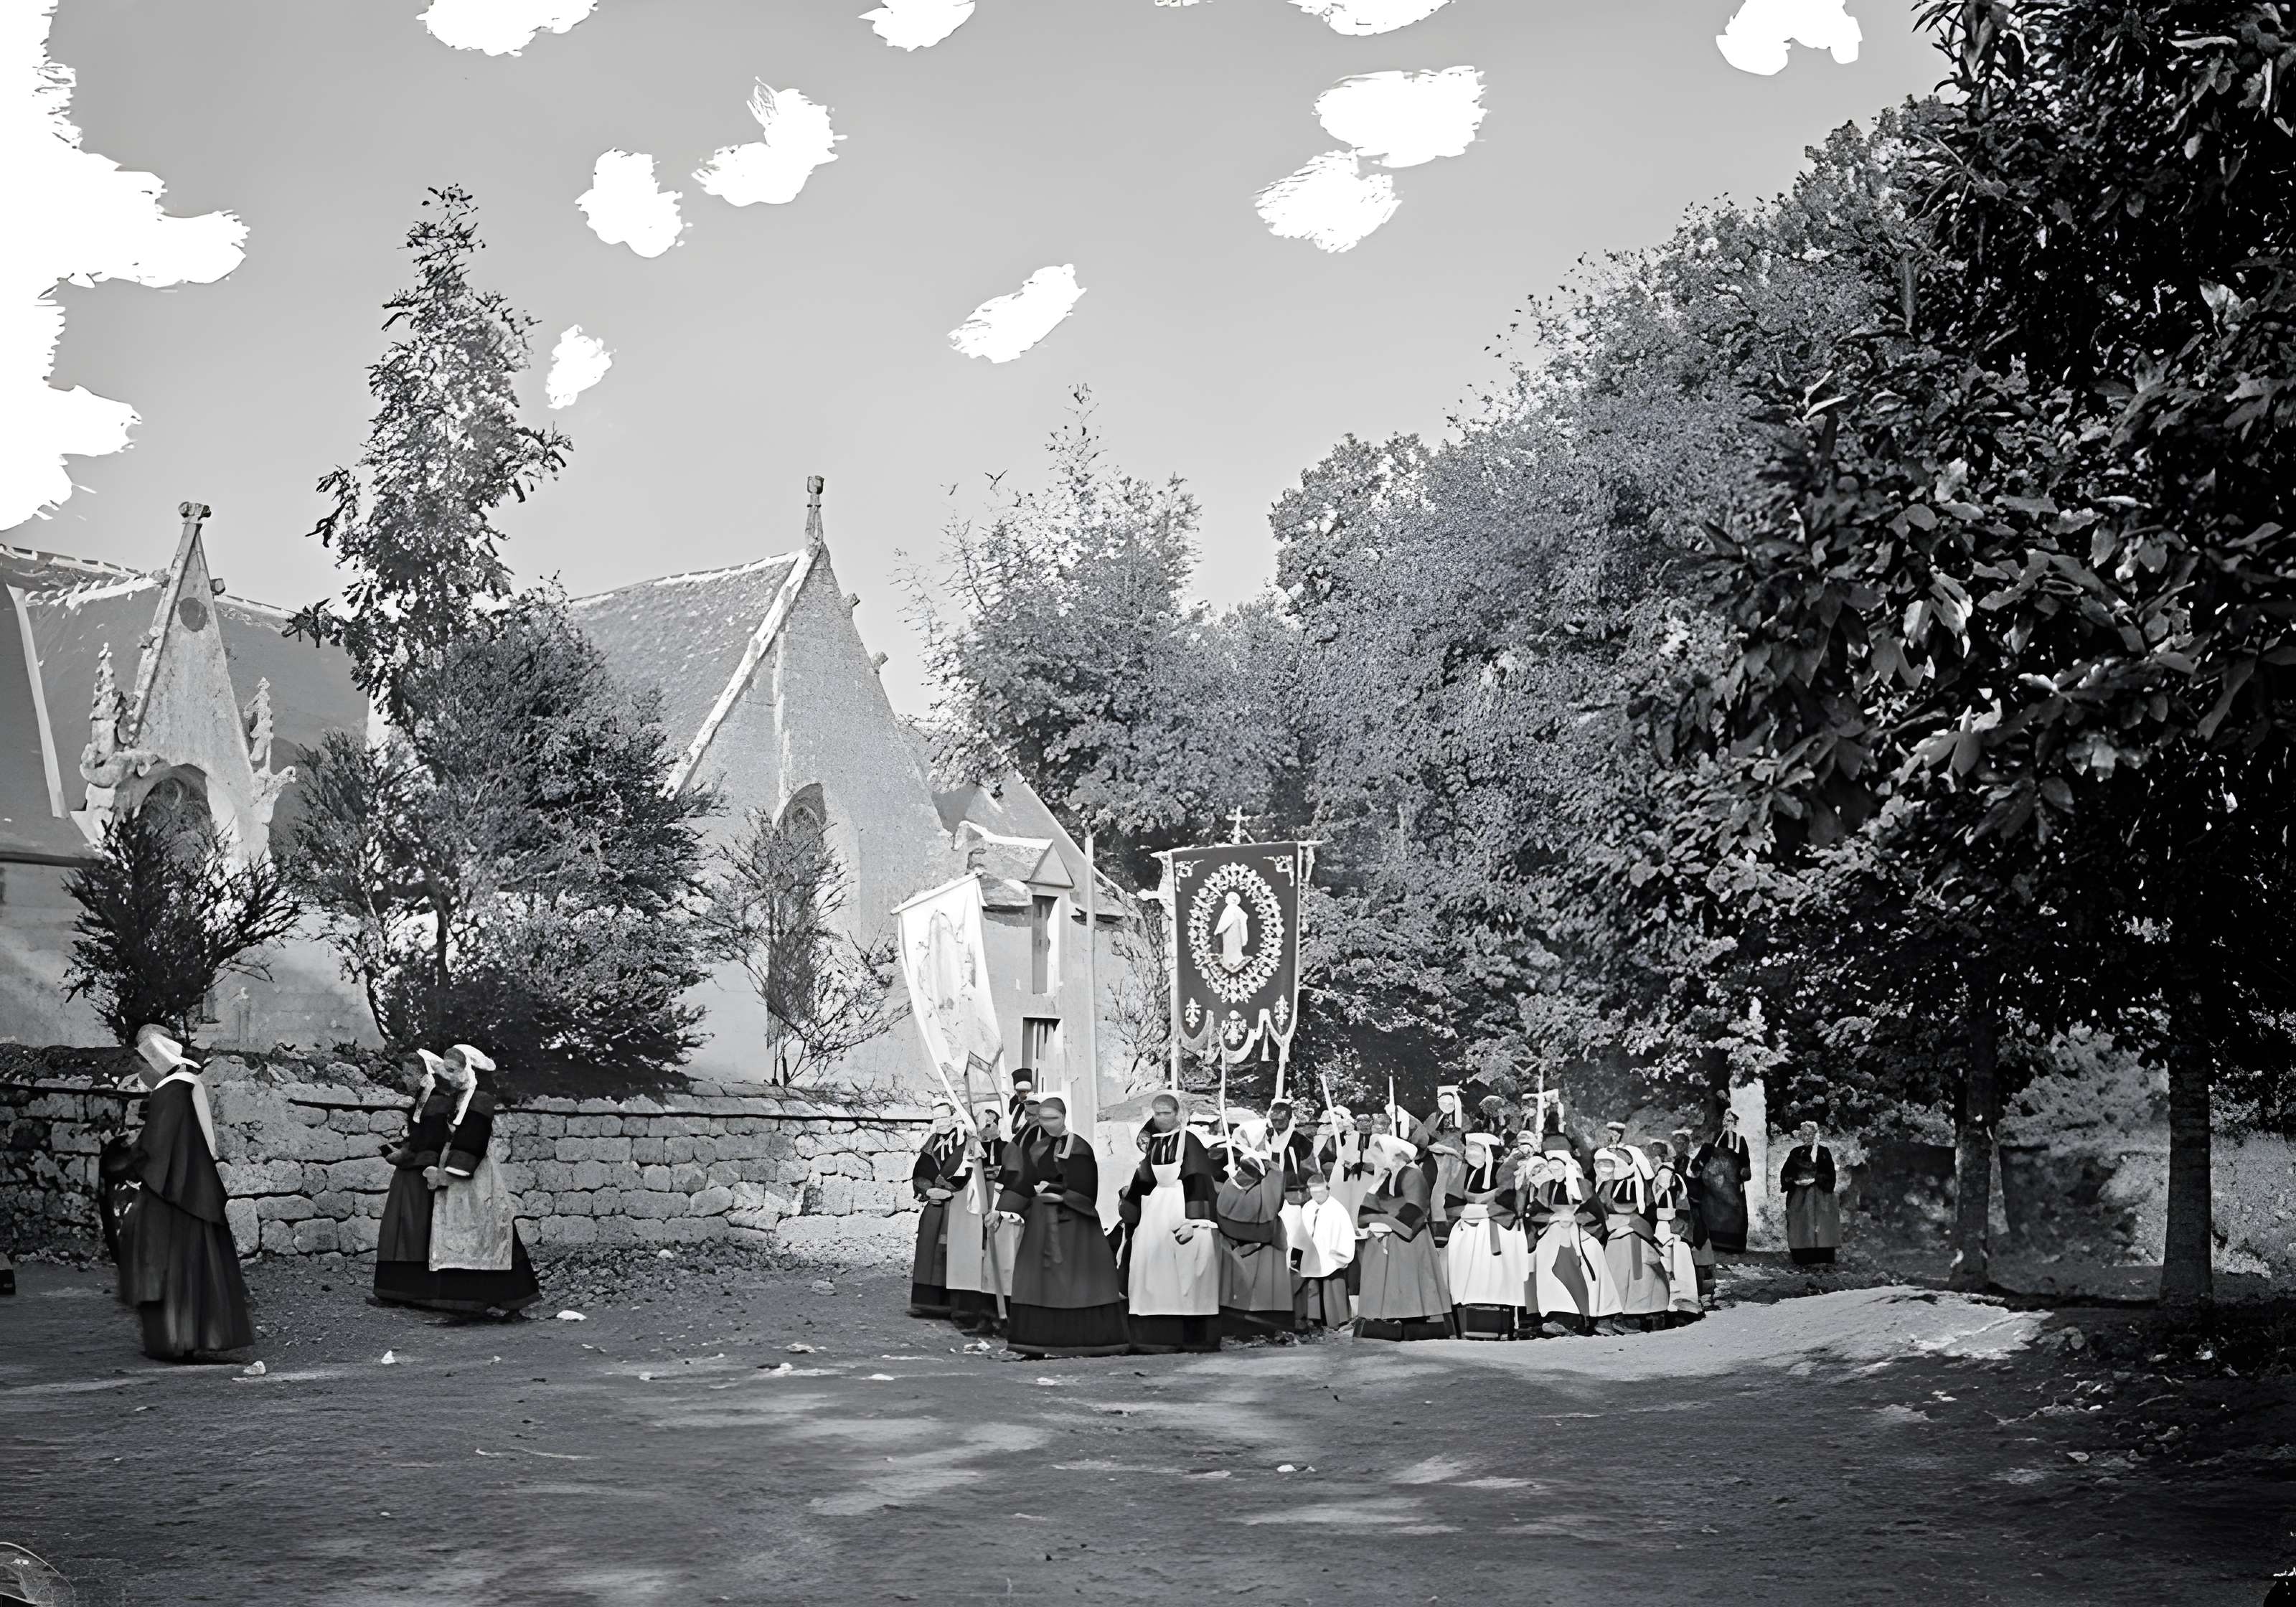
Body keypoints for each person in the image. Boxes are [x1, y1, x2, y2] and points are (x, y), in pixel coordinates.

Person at [117, 1026, 253, 1362]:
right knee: (195, 1262)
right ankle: (192, 1336)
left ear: (156, 1062)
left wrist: (124, 1159)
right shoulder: (188, 1084)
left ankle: (173, 1340)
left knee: (165, 1260)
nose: (140, 1072)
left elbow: (156, 1148)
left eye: (142, 1064)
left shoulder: (171, 1092)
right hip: (194, 1188)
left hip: (170, 1193)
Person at [377, 1045, 540, 1316]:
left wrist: (447, 1174)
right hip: (453, 1177)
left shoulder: (481, 1100)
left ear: (470, 1070)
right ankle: (464, 1300)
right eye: (447, 1070)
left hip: (475, 1179)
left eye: (454, 1071)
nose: (449, 1076)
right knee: (457, 1237)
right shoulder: (456, 1098)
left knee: (489, 1233)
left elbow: (473, 1139)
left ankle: (512, 1299)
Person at [995, 1095, 1129, 1357]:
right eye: (1042, 1118)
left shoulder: (1080, 1147)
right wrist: (1001, 1211)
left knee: (1071, 1284)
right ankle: (1035, 1343)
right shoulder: (1035, 1149)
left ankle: (1078, 1342)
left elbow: (1086, 1188)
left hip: (1073, 1225)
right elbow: (1023, 1183)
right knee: (1037, 1284)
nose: (1046, 1124)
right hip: (1040, 1224)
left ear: (1064, 1117)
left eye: (1052, 1118)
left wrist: (1056, 1190)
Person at [1119, 1093, 1222, 1354]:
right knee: (1149, 1267)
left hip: (1183, 1210)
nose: (1161, 1118)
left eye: (1166, 1113)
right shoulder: (1154, 1143)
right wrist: (1128, 1204)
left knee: (1186, 1274)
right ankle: (1152, 1338)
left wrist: (1195, 1223)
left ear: (1178, 1114)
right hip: (1155, 1211)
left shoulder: (1191, 1142)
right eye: (1156, 1114)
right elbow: (1144, 1177)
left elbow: (1198, 1180)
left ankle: (1192, 1338)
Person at [1352, 1134, 1454, 1340]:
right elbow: (1368, 1207)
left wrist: (1386, 1222)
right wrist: (1377, 1220)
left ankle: (1411, 1321)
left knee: (1408, 1280)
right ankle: (1386, 1319)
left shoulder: (1413, 1175)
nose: (1375, 1156)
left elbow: (1415, 1208)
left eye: (1379, 1152)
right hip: (1386, 1235)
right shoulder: (1385, 1176)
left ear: (1393, 1155)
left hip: (1408, 1240)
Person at [1214, 1126, 1299, 1339]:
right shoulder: (1252, 1175)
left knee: (1264, 1286)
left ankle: (1264, 1325)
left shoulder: (1262, 1175)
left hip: (1264, 1243)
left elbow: (1271, 1205)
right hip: (1254, 1242)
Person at [1444, 1132, 1530, 1339]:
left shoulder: (1506, 1171)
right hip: (1468, 1231)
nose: (1472, 1152)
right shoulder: (1466, 1171)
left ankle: (1500, 1325)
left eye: (1477, 1147)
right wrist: (1468, 1210)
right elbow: (1451, 1202)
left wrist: (1484, 1208)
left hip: (1496, 1229)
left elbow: (1512, 1201)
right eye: (1470, 1147)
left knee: (1496, 1276)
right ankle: (1468, 1322)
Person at [1524, 1149, 1617, 1337]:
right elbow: (1535, 1212)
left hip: (1579, 1233)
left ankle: (1592, 1317)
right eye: (1553, 1168)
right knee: (1548, 1268)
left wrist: (1574, 1219)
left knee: (1589, 1260)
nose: (1556, 1171)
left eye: (1559, 1168)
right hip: (1553, 1233)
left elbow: (1597, 1213)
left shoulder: (1582, 1185)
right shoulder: (1546, 1187)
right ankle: (1558, 1317)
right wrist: (1553, 1218)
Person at [945, 1103, 1018, 1332]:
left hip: (999, 1203)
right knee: (973, 1257)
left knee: (1001, 1258)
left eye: (990, 1123)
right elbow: (953, 1173)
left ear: (997, 1124)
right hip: (976, 1203)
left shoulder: (1008, 1147)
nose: (986, 1129)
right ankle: (974, 1313)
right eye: (982, 1125)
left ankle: (1002, 1314)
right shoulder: (970, 1148)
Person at [1594, 1130, 1669, 1334]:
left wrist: (1627, 1221)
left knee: (1636, 1277)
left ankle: (1629, 1317)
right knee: (1617, 1275)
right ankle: (1614, 1316)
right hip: (1617, 1236)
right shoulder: (1609, 1184)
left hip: (1632, 1237)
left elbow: (1640, 1209)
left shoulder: (1634, 1185)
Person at [908, 1101, 969, 1318]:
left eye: (944, 1117)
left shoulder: (966, 1142)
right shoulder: (932, 1141)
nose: (940, 1122)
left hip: (958, 1204)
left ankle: (954, 1305)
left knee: (952, 1251)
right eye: (937, 1118)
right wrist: (928, 1190)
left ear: (954, 1116)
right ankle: (928, 1303)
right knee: (928, 1249)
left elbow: (970, 1170)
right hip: (934, 1204)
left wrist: (950, 1189)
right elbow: (920, 1171)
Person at [1645, 1140, 1703, 1324]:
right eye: (1660, 1177)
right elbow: (1650, 1216)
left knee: (1680, 1268)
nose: (1664, 1181)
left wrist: (1677, 1235)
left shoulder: (1680, 1198)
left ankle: (1685, 1305)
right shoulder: (1655, 1197)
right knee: (1663, 1269)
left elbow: (1686, 1219)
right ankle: (1665, 1304)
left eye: (1667, 1178)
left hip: (1675, 1237)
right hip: (1659, 1236)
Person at [1290, 1172, 1356, 1329]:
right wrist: (1297, 1254)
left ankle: (1339, 1320)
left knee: (1332, 1285)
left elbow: (1345, 1233)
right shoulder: (1308, 1207)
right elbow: (1301, 1232)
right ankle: (1315, 1320)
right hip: (1311, 1254)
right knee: (1312, 1286)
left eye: (1320, 1192)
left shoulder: (1337, 1209)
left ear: (1327, 1189)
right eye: (1313, 1193)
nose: (1317, 1196)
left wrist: (1341, 1256)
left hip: (1331, 1254)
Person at [1411, 1086, 1469, 1247]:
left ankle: (1442, 1223)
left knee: (1442, 1188)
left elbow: (1463, 1138)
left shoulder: (1462, 1118)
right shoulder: (1433, 1118)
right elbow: (1427, 1136)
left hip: (1453, 1156)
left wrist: (1452, 1149)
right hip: (1434, 1153)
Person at [1691, 1111, 1753, 1255]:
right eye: (1725, 1119)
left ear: (1735, 1123)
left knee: (1735, 1214)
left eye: (1731, 1120)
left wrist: (1744, 1171)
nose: (1727, 1123)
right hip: (1713, 1186)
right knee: (1713, 1214)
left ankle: (1733, 1246)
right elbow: (1706, 1156)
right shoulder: (1715, 1138)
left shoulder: (1740, 1141)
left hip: (1731, 1187)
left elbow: (1745, 1162)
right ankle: (1714, 1244)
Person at [1782, 1121, 1842, 1267]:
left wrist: (1816, 1179)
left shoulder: (1823, 1152)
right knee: (1799, 1223)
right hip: (1799, 1196)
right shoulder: (1796, 1152)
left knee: (1820, 1224)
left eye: (1810, 1134)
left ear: (1815, 1135)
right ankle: (1802, 1258)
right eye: (1804, 1134)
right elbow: (1786, 1173)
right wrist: (1793, 1180)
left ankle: (1823, 1257)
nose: (1807, 1137)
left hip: (1820, 1195)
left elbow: (1830, 1175)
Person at [1672, 1126, 1717, 1304]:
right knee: (1685, 1242)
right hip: (1681, 1208)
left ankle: (1705, 1283)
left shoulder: (1694, 1160)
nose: (1679, 1145)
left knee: (1700, 1239)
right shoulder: (1675, 1162)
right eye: (1676, 1143)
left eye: (1682, 1142)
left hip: (1697, 1205)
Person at [1320, 1106, 1379, 1225]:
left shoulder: (1375, 1139)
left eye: (1367, 1121)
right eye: (1360, 1121)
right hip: (1344, 1179)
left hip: (1367, 1181)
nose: (1364, 1124)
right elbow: (1326, 1160)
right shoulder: (1338, 1138)